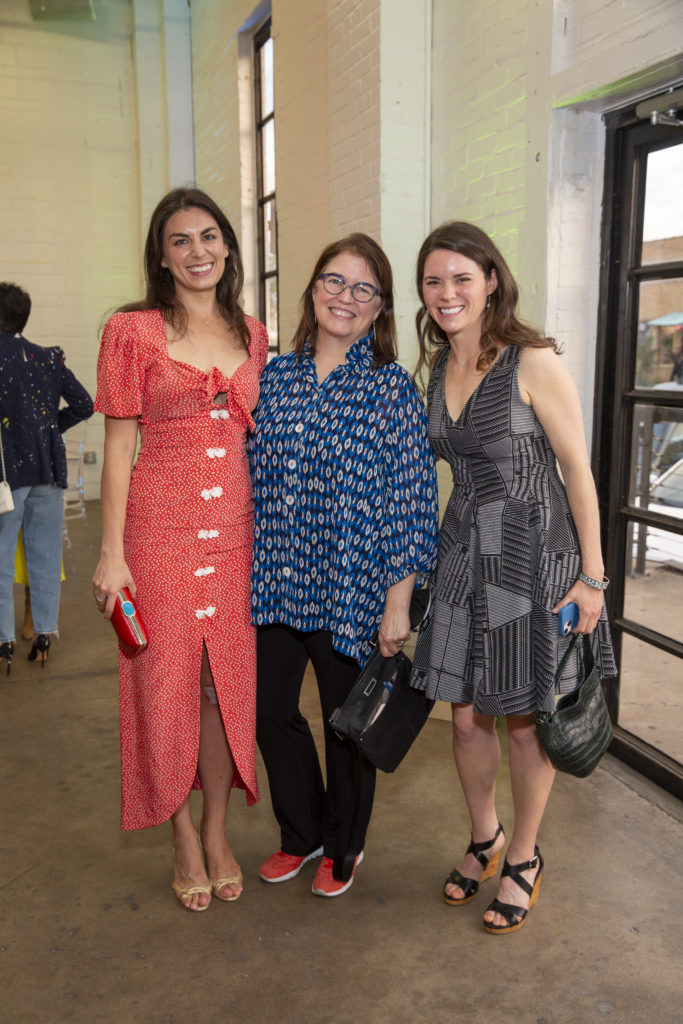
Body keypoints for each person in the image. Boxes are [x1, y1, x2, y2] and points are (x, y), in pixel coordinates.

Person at [410, 222, 616, 934]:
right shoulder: (436, 369)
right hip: (465, 551)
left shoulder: (532, 361)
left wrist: (592, 578)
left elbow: (577, 470)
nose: (447, 293)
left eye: (461, 278)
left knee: (525, 721)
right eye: (433, 281)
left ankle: (523, 858)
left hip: (530, 558)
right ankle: (484, 837)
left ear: (491, 280)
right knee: (465, 717)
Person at [92, 186, 269, 912]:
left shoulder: (252, 334)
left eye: (209, 237)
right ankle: (179, 838)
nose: (198, 251)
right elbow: (115, 449)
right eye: (180, 241)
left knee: (225, 689)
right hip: (155, 532)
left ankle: (218, 829)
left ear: (227, 246)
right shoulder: (131, 333)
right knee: (161, 686)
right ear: (161, 258)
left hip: (236, 536)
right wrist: (111, 552)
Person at [250, 233, 439, 897]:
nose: (345, 297)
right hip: (272, 579)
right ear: (311, 290)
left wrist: (396, 602)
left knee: (346, 726)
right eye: (334, 281)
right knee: (267, 712)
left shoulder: (391, 392)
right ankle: (299, 835)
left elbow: (411, 505)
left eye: (363, 288)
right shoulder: (273, 378)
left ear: (380, 309)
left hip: (350, 588)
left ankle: (342, 845)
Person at [0, 283, 93, 674]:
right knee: (44, 555)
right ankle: (42, 638)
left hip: (6, 473)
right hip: (49, 469)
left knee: (2, 558)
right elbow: (85, 403)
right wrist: (51, 429)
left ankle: (3, 643)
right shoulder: (48, 357)